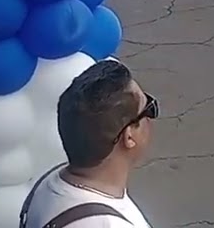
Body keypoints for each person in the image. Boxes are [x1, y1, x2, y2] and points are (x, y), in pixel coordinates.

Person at [20, 60, 157, 228]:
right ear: (129, 137)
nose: (151, 119)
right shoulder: (109, 224)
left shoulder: (47, 183)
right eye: (149, 108)